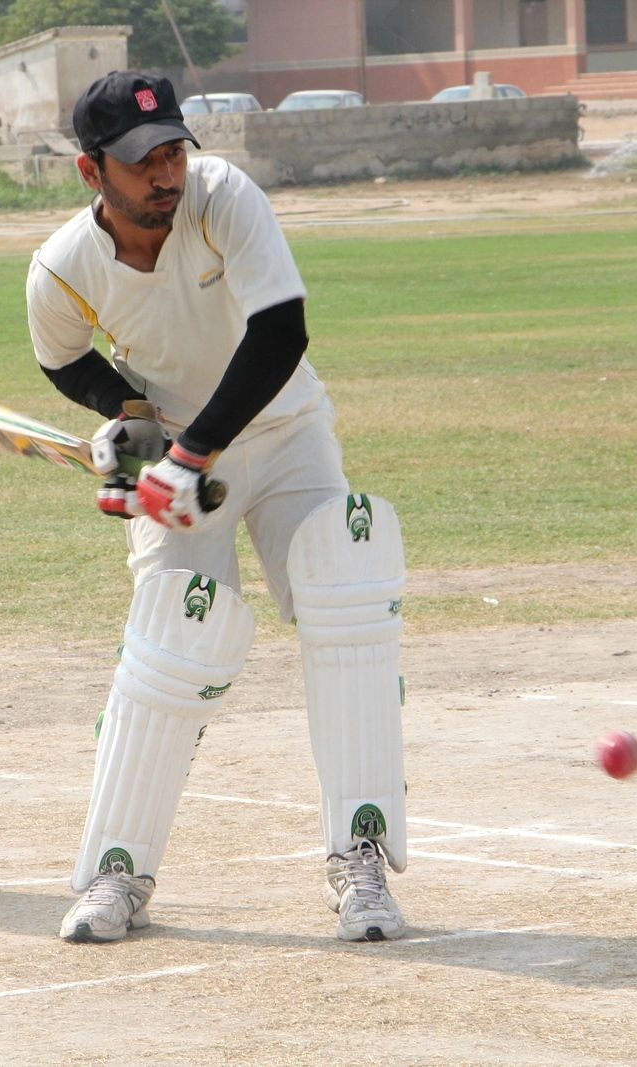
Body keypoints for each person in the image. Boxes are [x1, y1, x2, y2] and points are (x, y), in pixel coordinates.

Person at [26, 72, 410, 944]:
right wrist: (127, 415)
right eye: (141, 161)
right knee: (171, 638)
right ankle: (117, 871)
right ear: (92, 172)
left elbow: (281, 332)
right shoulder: (61, 269)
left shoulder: (221, 196)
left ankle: (360, 858)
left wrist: (192, 451)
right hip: (178, 450)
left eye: (172, 151)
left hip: (284, 431)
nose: (165, 173)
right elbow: (66, 361)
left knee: (347, 598)